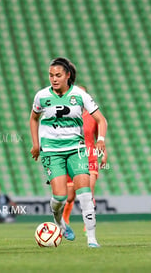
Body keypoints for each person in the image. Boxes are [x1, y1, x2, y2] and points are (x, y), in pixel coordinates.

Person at [29, 57, 107, 247]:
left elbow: (101, 120)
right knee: (60, 197)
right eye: (51, 75)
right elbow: (33, 119)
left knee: (85, 193)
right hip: (52, 152)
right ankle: (59, 222)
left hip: (76, 150)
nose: (53, 79)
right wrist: (36, 144)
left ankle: (92, 238)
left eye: (58, 75)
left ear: (67, 75)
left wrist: (101, 140)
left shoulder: (80, 95)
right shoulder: (41, 96)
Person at [62, 86, 108, 232]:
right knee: (69, 197)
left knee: (89, 192)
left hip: (90, 157)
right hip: (72, 157)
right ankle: (65, 219)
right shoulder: (66, 115)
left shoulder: (93, 117)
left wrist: (104, 153)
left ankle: (89, 222)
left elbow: (98, 137)